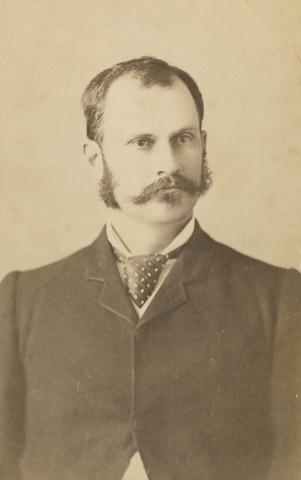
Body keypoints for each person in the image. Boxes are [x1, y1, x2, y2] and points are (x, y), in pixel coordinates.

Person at [0, 56, 300, 480]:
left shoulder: (279, 297)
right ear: (93, 158)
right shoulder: (21, 300)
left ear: (204, 144)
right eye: (142, 142)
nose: (170, 164)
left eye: (184, 138)